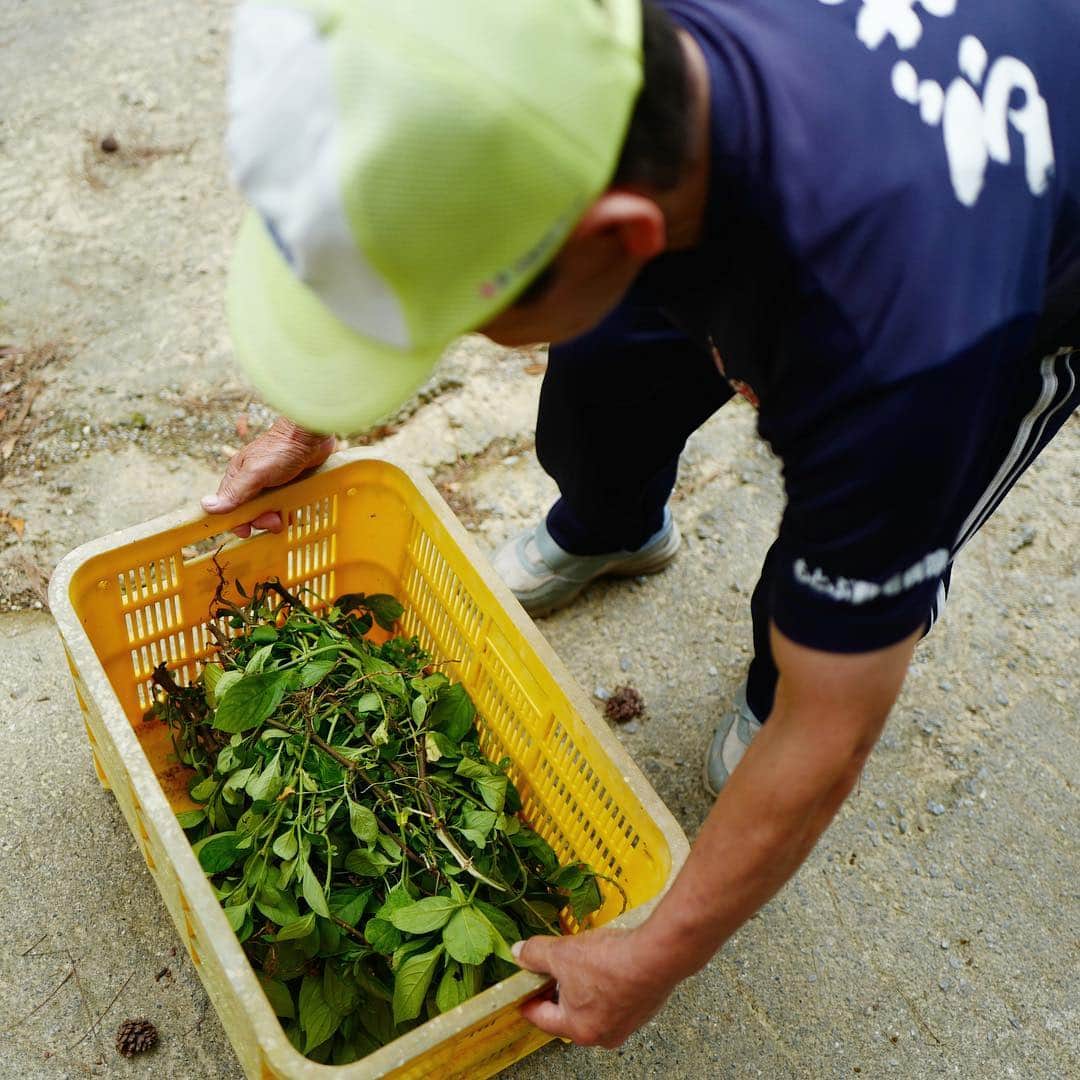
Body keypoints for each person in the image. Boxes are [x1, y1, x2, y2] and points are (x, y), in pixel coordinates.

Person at [204, 0, 1079, 1049]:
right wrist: (321, 414)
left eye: (461, 315)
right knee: (604, 378)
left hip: (1003, 272)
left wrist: (657, 954)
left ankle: (762, 682)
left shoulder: (906, 358)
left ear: (620, 232)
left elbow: (833, 731)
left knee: (823, 628)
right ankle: (613, 525)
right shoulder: (584, 50)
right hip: (786, 151)